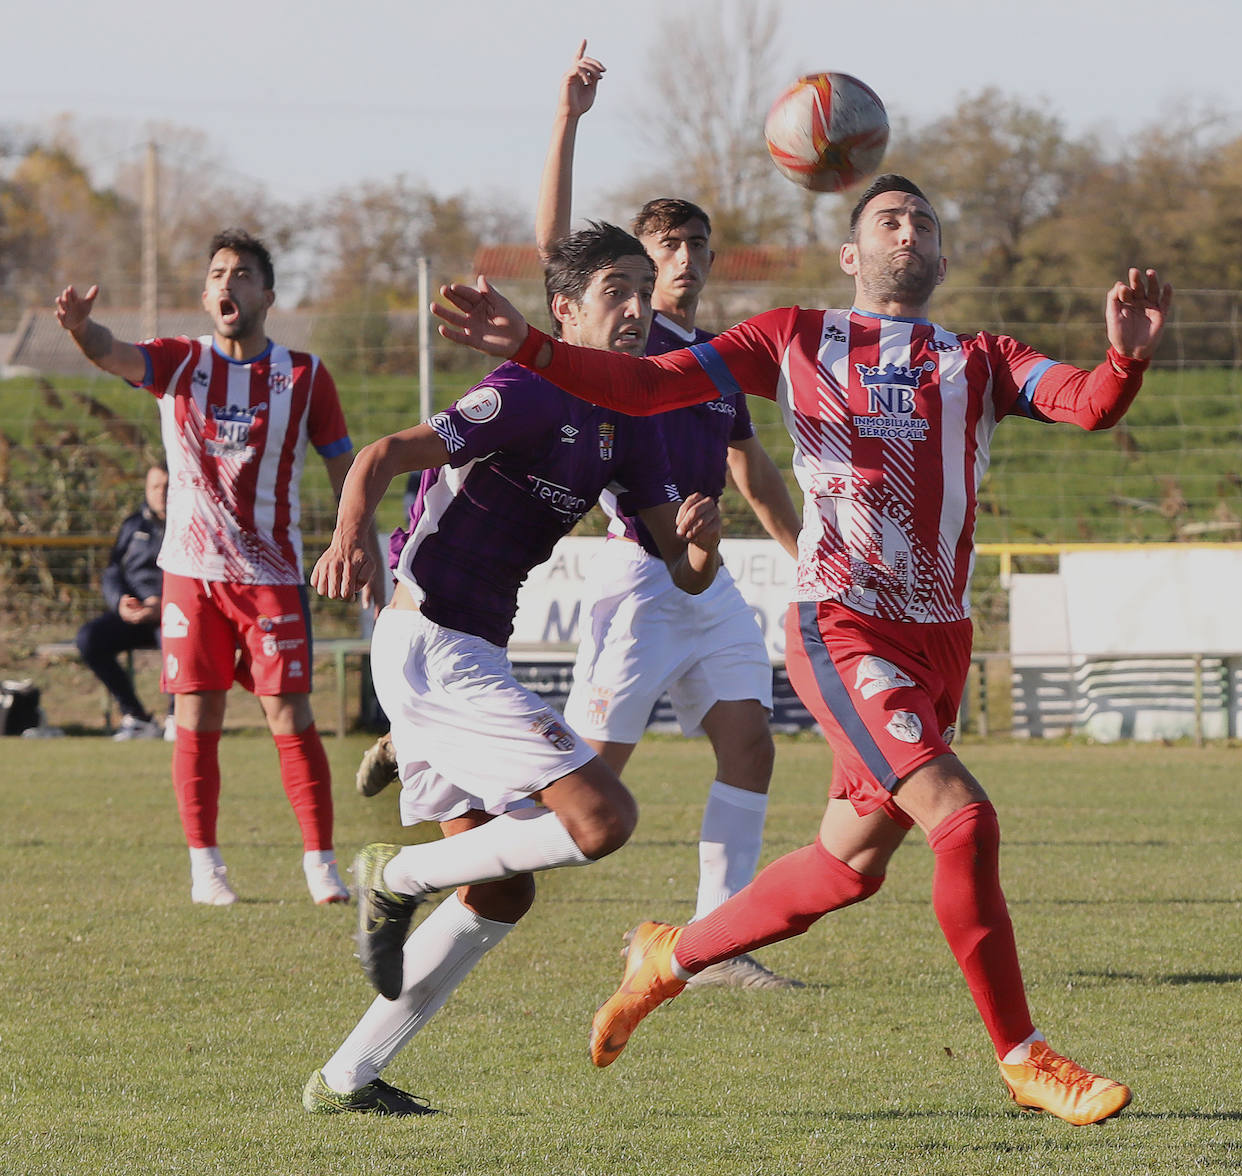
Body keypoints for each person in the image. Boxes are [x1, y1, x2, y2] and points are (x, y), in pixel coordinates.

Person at [428, 174, 1173, 1126]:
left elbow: (1086, 403)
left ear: (942, 257)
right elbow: (650, 385)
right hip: (842, 624)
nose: (910, 232)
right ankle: (1024, 1056)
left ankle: (670, 957)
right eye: (888, 221)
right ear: (851, 256)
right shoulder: (794, 336)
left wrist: (1124, 361)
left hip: (938, 637)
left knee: (845, 869)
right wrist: (533, 347)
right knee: (964, 820)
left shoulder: (978, 357)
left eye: (926, 223)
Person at [301, 222, 723, 1116]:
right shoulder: (528, 392)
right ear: (563, 310)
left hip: (465, 652)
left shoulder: (630, 418)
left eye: (646, 290)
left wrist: (701, 547)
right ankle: (395, 876)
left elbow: (682, 573)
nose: (640, 308)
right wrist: (348, 539)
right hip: (429, 645)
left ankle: (345, 1078)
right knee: (603, 817)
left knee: (499, 890)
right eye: (617, 290)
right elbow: (380, 455)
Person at [535, 43, 805, 989]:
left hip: (707, 578)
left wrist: (809, 556)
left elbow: (752, 464)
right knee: (587, 781)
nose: (684, 260)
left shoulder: (719, 360)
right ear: (631, 272)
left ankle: (718, 945)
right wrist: (568, 120)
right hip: (638, 578)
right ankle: (446, 795)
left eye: (697, 245)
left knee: (751, 741)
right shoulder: (619, 349)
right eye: (665, 248)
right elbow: (552, 258)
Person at [54, 228, 382, 907]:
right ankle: (207, 866)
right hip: (192, 575)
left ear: (267, 293)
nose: (228, 283)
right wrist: (83, 330)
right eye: (218, 274)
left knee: (289, 715)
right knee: (197, 718)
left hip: (272, 578)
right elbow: (112, 353)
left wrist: (356, 543)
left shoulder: (305, 375)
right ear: (205, 295)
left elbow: (344, 467)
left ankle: (320, 863)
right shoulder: (179, 362)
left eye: (243, 273)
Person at [76, 463, 170, 740]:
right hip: (136, 614)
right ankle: (138, 718)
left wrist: (162, 604)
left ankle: (179, 718)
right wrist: (121, 603)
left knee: (178, 642)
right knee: (89, 639)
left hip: (177, 613)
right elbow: (113, 572)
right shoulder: (133, 525)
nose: (161, 493)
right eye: (155, 486)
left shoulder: (192, 525)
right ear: (146, 490)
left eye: (167, 486)